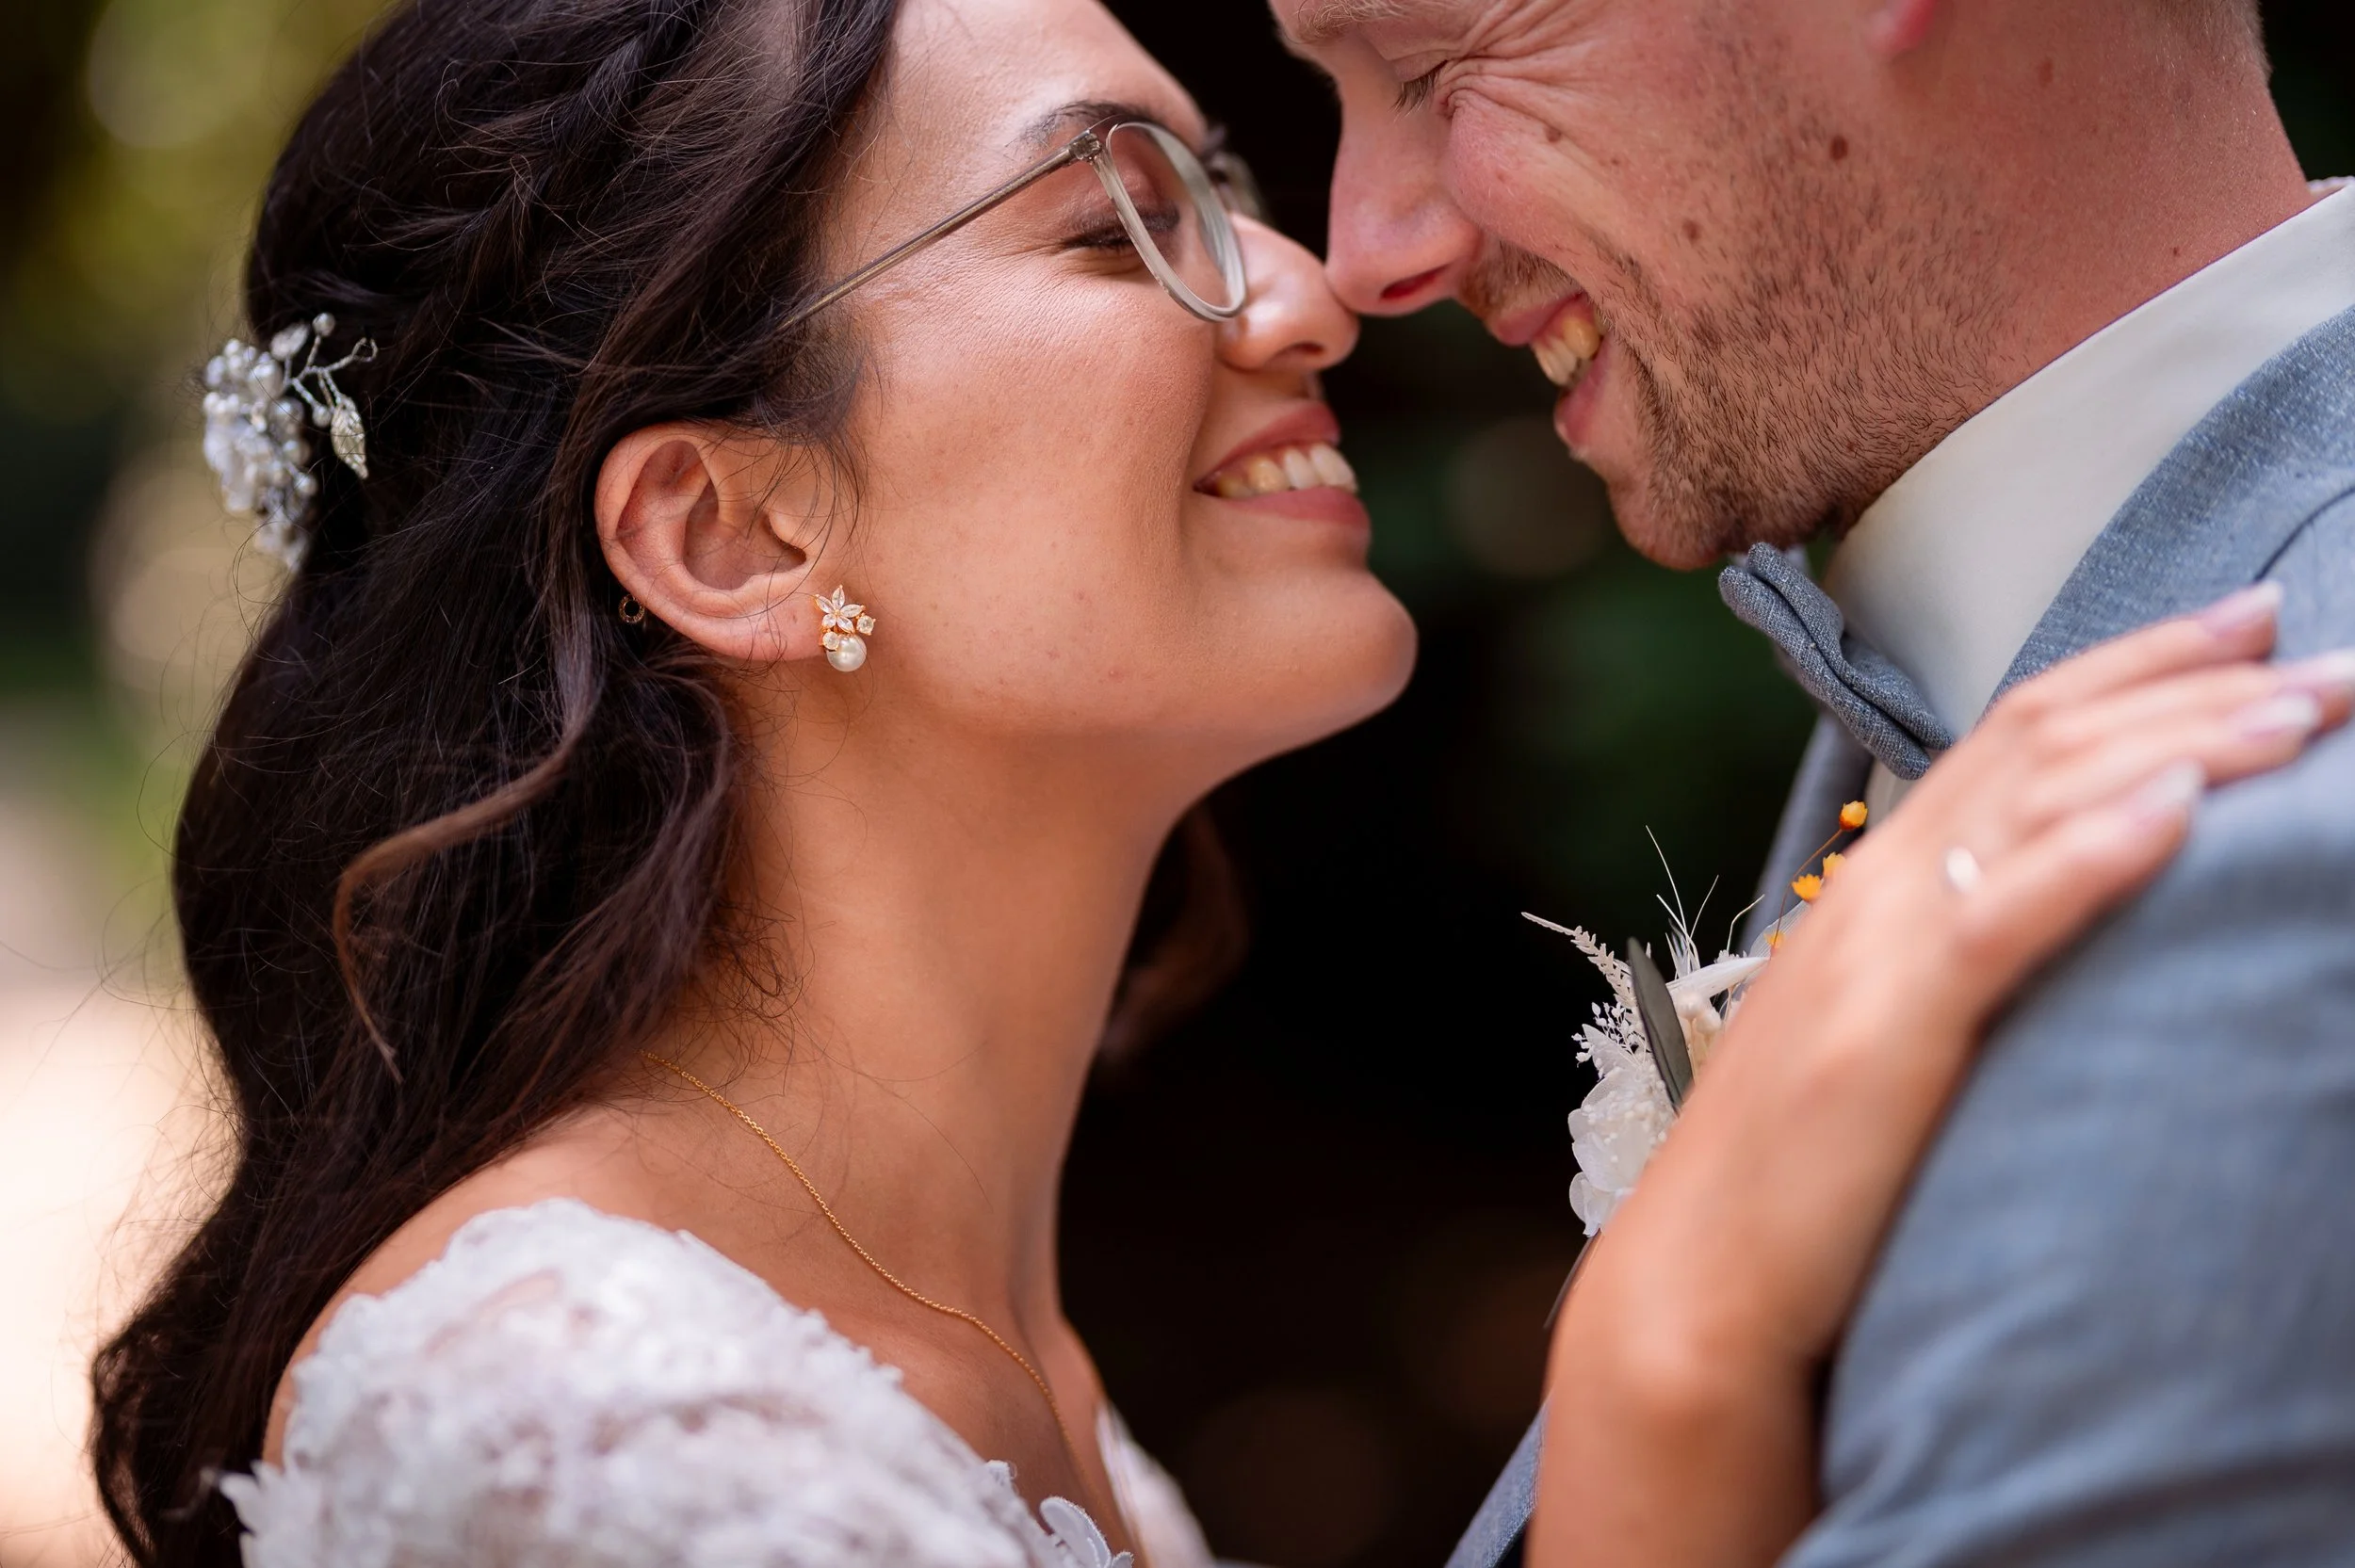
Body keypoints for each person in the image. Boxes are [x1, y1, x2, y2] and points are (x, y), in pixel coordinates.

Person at [89, 5, 2343, 1568]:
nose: (1315, 285)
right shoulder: (584, 1422)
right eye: (1115, 222)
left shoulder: (1015, 1377)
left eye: (1223, 192)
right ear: (737, 533)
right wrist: (1672, 1352)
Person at [1271, 0, 2355, 1561]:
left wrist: (1662, 1365)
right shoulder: (1981, 666)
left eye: (1433, 67)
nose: (1363, 253)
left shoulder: (2273, 873)